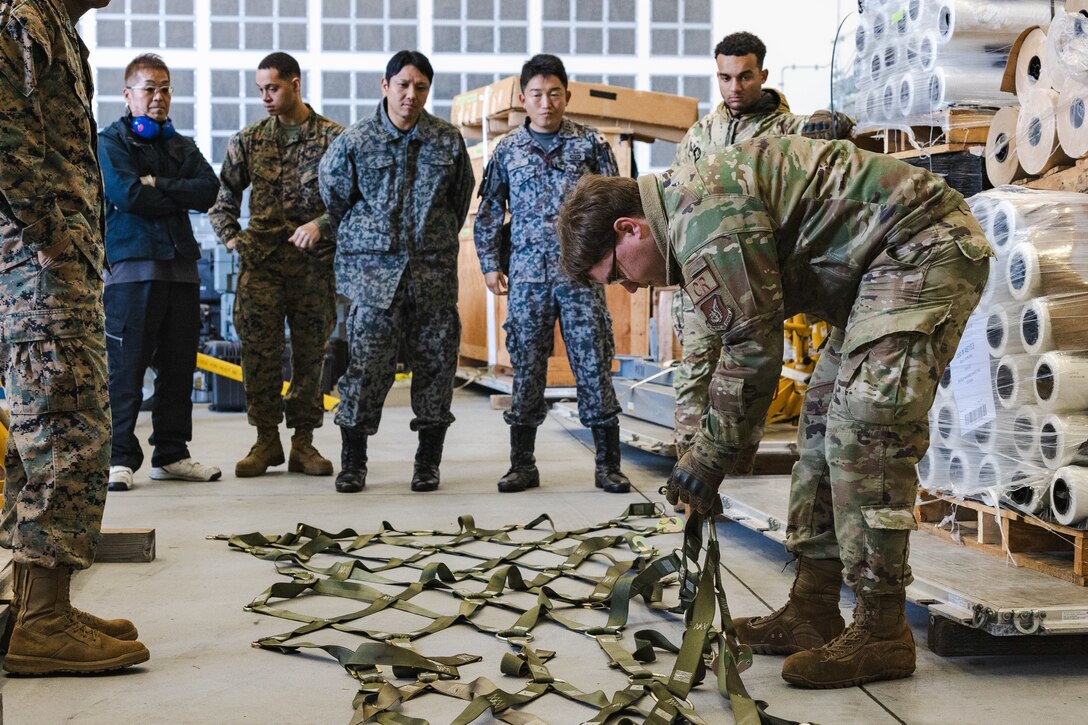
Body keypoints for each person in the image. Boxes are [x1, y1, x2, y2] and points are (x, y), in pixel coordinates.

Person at [556, 135, 990, 689]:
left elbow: (751, 349)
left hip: (921, 246)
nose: (632, 288)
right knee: (818, 428)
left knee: (866, 431)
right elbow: (734, 341)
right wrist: (708, 446)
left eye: (617, 273)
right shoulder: (688, 213)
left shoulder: (703, 220)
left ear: (629, 228)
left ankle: (883, 630)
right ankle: (812, 607)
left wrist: (709, 457)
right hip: (875, 272)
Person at [0, 0, 150, 674]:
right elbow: (7, 140)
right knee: (62, 430)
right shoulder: (23, 18)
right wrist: (53, 235)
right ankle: (40, 621)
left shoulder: (59, 28)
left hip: (60, 265)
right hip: (42, 270)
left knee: (66, 423)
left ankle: (44, 600)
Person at [670, 31, 855, 467]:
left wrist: (833, 122)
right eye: (725, 77)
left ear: (762, 75)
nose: (734, 87)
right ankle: (688, 467)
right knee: (695, 370)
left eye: (745, 76)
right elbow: (675, 196)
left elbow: (834, 133)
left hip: (758, 274)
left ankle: (738, 463)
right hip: (704, 272)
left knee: (751, 373)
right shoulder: (700, 135)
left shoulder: (788, 129)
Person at [474, 54, 629, 494]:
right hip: (526, 279)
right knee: (526, 369)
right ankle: (522, 465)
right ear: (523, 98)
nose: (546, 102)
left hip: (581, 278)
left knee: (594, 365)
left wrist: (612, 264)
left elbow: (619, 205)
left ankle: (608, 466)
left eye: (555, 93)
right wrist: (490, 264)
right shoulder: (507, 150)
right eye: (537, 94)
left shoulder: (591, 145)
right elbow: (487, 214)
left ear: (568, 95)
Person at [320, 50, 473, 494]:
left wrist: (429, 238)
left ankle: (427, 463)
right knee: (365, 371)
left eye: (420, 87)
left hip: (433, 279)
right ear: (384, 86)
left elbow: (458, 202)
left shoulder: (447, 141)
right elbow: (336, 200)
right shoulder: (355, 141)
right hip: (374, 282)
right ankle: (353, 463)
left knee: (437, 369)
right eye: (403, 85)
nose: (411, 95)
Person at [209, 52, 342, 479]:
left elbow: (353, 201)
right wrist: (232, 237)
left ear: (295, 84)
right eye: (261, 90)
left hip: (311, 267)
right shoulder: (249, 140)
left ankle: (304, 442)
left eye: (273, 88)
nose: (266, 97)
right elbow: (222, 197)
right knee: (259, 355)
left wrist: (321, 224)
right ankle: (266, 440)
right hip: (261, 266)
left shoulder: (332, 140)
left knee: (310, 356)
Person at [98, 53, 222, 492]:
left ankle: (171, 454)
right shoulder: (110, 142)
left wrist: (159, 185)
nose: (158, 97)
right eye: (148, 88)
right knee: (126, 369)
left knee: (177, 368)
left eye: (165, 88)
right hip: (133, 271)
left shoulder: (179, 145)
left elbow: (208, 191)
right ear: (127, 94)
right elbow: (127, 195)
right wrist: (170, 192)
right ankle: (119, 457)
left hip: (181, 271)